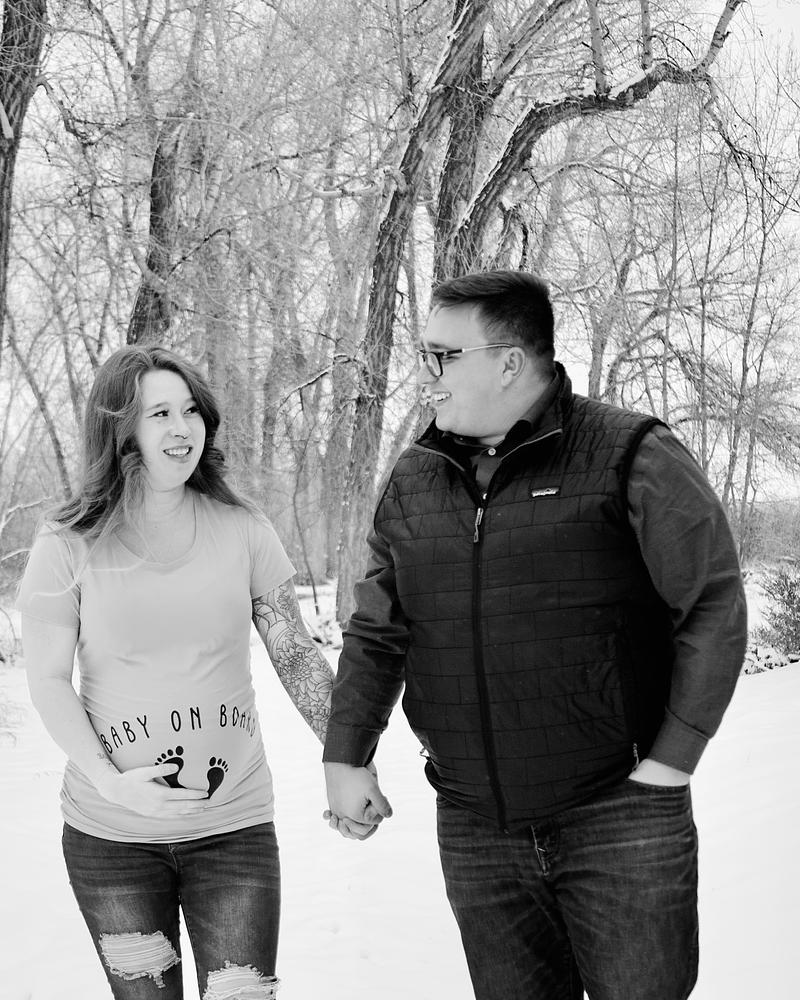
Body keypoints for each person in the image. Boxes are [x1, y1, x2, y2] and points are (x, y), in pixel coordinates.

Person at [322, 270, 747, 1000]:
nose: (426, 374)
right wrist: (346, 754)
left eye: (443, 356)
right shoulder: (416, 478)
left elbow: (711, 603)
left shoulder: (631, 453)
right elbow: (378, 630)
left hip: (619, 817)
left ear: (510, 362)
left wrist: (672, 762)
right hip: (477, 829)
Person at [16, 345, 335, 999]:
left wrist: (347, 755)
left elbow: (295, 650)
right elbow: (47, 679)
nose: (182, 427)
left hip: (234, 831)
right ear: (119, 428)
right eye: (159, 413)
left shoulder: (243, 529)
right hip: (113, 841)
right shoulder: (67, 543)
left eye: (191, 410)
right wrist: (111, 782)